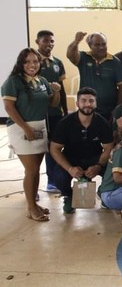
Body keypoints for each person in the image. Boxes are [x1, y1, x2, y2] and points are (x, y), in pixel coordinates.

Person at [2, 48, 61, 222]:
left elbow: (53, 104)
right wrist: (26, 128)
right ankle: (30, 207)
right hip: (21, 128)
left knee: (36, 170)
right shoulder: (13, 81)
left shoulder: (41, 80)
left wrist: (56, 90)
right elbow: (9, 108)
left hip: (40, 127)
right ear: (21, 64)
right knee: (31, 170)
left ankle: (35, 204)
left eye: (35, 61)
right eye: (27, 61)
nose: (32, 65)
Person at [50, 87, 114, 213]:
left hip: (94, 158)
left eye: (91, 101)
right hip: (71, 159)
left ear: (95, 104)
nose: (87, 104)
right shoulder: (66, 123)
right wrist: (70, 169)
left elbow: (108, 148)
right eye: (84, 101)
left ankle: (103, 192)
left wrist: (99, 166)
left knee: (113, 171)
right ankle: (69, 195)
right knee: (57, 176)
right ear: (77, 104)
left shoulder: (102, 123)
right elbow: (55, 148)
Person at [66, 31, 122, 120]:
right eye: (97, 45)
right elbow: (70, 55)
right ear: (90, 45)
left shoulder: (115, 62)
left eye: (104, 44)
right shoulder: (83, 57)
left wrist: (118, 109)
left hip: (108, 111)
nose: (101, 47)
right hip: (87, 109)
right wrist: (76, 41)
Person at [35, 30, 68, 193]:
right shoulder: (32, 62)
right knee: (38, 150)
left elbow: (61, 90)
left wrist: (66, 111)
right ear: (37, 42)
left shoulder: (57, 62)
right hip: (38, 114)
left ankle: (53, 180)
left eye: (52, 41)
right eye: (46, 41)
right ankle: (39, 184)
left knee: (54, 146)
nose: (49, 44)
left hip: (55, 113)